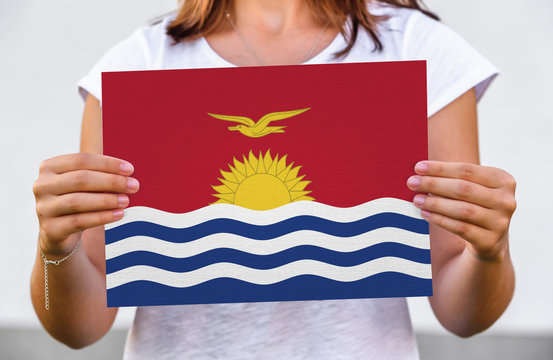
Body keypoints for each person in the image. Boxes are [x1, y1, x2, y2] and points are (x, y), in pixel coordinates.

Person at [31, 0, 516, 358]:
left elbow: (463, 316)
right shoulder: (136, 64)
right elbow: (79, 329)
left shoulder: (421, 49)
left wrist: (489, 250)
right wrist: (55, 248)